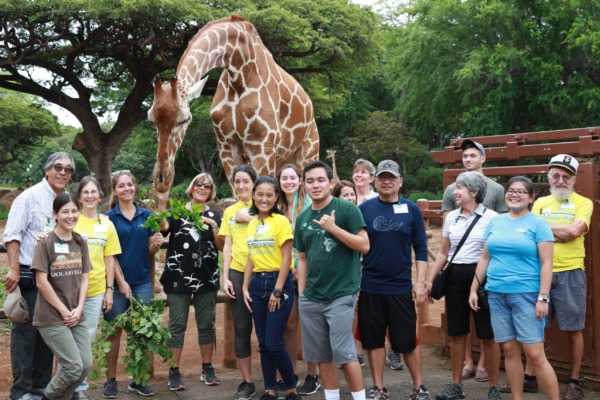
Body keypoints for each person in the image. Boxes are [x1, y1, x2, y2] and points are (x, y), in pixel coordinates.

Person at [469, 176, 559, 400]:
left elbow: (547, 264)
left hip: (527, 295)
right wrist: (474, 289)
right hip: (497, 295)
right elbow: (484, 258)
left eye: (521, 192)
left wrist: (543, 298)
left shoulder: (538, 224)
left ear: (531, 198)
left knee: (535, 355)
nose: (515, 194)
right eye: (511, 190)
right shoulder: (496, 222)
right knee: (509, 351)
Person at [294, 160, 369, 400]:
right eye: (310, 181)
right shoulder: (303, 218)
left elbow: (364, 245)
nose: (315, 185)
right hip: (312, 297)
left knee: (344, 353)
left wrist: (334, 228)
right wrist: (303, 294)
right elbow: (302, 258)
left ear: (330, 182)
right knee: (322, 355)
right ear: (304, 185)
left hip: (341, 293)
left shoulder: (346, 209)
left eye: (320, 180)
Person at [3, 152, 76, 400]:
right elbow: (12, 234)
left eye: (68, 169)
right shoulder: (29, 197)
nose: (63, 172)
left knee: (49, 332)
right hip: (29, 275)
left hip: (56, 278)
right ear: (47, 170)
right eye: (58, 167)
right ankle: (21, 391)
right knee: (25, 335)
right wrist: (13, 269)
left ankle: (40, 386)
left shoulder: (65, 200)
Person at [358, 160, 430, 400]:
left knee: (407, 341)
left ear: (400, 181)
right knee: (374, 340)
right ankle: (378, 388)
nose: (386, 181)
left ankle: (419, 387)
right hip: (370, 286)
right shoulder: (365, 209)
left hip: (400, 287)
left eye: (391, 177)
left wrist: (419, 283)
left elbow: (420, 248)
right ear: (375, 181)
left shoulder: (411, 210)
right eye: (381, 177)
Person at [426, 171, 501, 400]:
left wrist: (477, 285)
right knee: (457, 332)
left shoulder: (492, 217)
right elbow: (444, 252)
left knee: (488, 334)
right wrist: (431, 279)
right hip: (455, 275)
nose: (455, 192)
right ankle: (456, 386)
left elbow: (490, 255)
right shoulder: (452, 217)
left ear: (474, 192)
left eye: (459, 188)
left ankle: (494, 388)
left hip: (482, 277)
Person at [441, 139, 507, 382]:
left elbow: (498, 233)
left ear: (483, 158)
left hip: (485, 264)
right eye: (465, 156)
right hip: (458, 264)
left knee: (486, 326)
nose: (468, 159)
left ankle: (485, 368)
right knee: (458, 325)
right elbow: (449, 235)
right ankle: (467, 362)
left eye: (473, 155)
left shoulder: (497, 190)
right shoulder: (452, 190)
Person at [529, 155, 591, 400]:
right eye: (556, 175)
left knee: (573, 328)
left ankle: (574, 382)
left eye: (566, 176)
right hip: (538, 271)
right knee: (534, 326)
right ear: (549, 177)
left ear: (574, 179)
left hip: (570, 272)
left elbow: (575, 231)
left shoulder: (583, 203)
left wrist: (543, 229)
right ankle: (529, 377)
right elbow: (529, 230)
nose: (561, 180)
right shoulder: (541, 202)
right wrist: (559, 233)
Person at [155, 173, 224, 391]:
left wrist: (213, 225)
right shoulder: (177, 211)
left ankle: (207, 367)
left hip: (207, 276)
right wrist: (162, 201)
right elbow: (162, 226)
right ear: (192, 187)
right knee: (177, 324)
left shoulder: (215, 214)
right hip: (178, 277)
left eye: (207, 185)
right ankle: (173, 372)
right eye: (198, 183)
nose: (202, 187)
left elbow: (222, 245)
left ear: (211, 191)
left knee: (206, 324)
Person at [102, 171, 164, 398]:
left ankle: (138, 380)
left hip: (141, 283)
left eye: (130, 184)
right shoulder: (108, 218)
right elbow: (108, 254)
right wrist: (120, 282)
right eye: (122, 186)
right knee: (114, 331)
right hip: (116, 284)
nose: (127, 189)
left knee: (142, 331)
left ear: (134, 187)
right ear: (115, 190)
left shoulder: (146, 215)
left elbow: (150, 249)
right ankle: (110, 380)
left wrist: (156, 246)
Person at [242, 175, 301, 400]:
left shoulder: (281, 221)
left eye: (269, 195)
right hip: (257, 284)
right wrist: (246, 287)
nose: (264, 199)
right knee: (264, 343)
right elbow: (251, 257)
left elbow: (287, 258)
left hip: (279, 282)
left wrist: (277, 290)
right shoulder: (253, 223)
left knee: (275, 344)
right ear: (253, 196)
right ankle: (269, 390)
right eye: (260, 194)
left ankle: (291, 388)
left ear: (276, 197)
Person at [32, 192, 92, 400]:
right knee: (73, 367)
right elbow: (41, 281)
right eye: (65, 211)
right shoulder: (45, 242)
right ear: (55, 214)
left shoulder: (80, 242)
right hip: (52, 317)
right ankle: (48, 397)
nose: (70, 216)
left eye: (74, 211)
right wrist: (65, 310)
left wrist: (79, 308)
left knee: (84, 366)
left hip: (76, 314)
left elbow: (85, 278)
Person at [71, 176, 125, 400]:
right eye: (86, 192)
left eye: (94, 192)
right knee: (66, 340)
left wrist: (110, 290)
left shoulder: (107, 224)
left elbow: (109, 258)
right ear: (80, 196)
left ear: (101, 196)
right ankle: (64, 386)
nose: (90, 196)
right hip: (69, 291)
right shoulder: (71, 220)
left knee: (87, 340)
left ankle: (80, 388)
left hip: (95, 292)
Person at [277, 165, 320, 396]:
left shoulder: (310, 205)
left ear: (300, 180)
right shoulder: (276, 206)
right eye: (284, 178)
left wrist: (301, 266)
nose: (289, 181)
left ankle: (313, 373)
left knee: (311, 322)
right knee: (290, 324)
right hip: (286, 271)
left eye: (293, 177)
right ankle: (291, 371)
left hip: (310, 269)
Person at [220, 165, 258, 400]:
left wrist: (251, 216)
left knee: (267, 331)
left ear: (254, 183)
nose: (241, 186)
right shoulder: (229, 212)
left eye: (246, 181)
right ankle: (247, 381)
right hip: (236, 272)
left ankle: (274, 378)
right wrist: (225, 277)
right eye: (238, 182)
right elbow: (227, 245)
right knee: (242, 330)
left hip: (263, 273)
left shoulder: (264, 206)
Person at [332, 180, 365, 367]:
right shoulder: (331, 219)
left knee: (356, 310)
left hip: (358, 269)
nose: (351, 198)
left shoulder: (358, 215)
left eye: (352, 194)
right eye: (346, 195)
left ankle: (355, 349)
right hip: (337, 271)